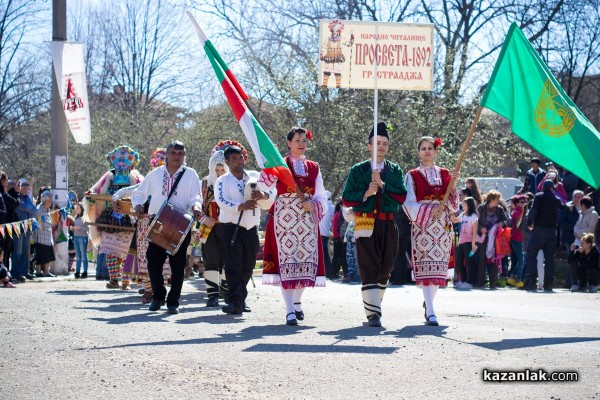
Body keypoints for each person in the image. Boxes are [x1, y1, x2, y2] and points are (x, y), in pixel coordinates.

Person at [343, 122, 407, 327]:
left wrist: (383, 186)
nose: (381, 147)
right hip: (365, 220)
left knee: (386, 267)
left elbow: (401, 197)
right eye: (377, 143)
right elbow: (347, 198)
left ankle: (373, 305)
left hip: (388, 223)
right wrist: (366, 194)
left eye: (385, 143)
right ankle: (373, 315)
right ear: (369, 146)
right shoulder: (358, 170)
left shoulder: (395, 170)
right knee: (368, 265)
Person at [259, 127, 325, 325]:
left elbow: (321, 193)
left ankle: (296, 301)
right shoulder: (280, 164)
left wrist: (313, 204)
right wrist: (269, 169)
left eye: (304, 140)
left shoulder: (314, 167)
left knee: (306, 261)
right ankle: (289, 310)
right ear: (289, 143)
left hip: (306, 219)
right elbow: (263, 185)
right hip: (285, 218)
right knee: (287, 261)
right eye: (297, 140)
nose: (301, 143)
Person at [132, 141, 202, 314]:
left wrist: (196, 207)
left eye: (180, 153)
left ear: (184, 156)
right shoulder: (155, 174)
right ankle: (158, 296)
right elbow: (139, 193)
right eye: (173, 153)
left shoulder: (191, 174)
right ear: (167, 155)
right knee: (153, 262)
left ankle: (173, 302)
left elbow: (196, 196)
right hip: (157, 222)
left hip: (181, 223)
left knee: (178, 265)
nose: (177, 156)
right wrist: (139, 206)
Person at [403, 136, 458, 326]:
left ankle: (429, 304)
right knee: (427, 266)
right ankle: (431, 312)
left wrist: (453, 187)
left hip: (442, 227)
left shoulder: (445, 173)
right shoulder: (412, 175)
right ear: (418, 152)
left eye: (430, 148)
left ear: (435, 151)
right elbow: (408, 202)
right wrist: (428, 209)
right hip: (423, 225)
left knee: (438, 268)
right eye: (423, 148)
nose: (427, 151)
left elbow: (453, 204)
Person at [219, 146, 275, 316]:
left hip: (251, 228)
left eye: (240, 158)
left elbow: (272, 192)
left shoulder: (255, 177)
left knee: (248, 265)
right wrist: (240, 206)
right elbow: (221, 200)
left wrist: (263, 195)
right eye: (234, 159)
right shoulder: (223, 181)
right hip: (230, 228)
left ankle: (239, 298)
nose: (238, 162)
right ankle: (236, 301)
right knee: (233, 265)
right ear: (227, 162)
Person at [85, 145, 143, 290]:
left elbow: (143, 191)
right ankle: (114, 280)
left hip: (129, 217)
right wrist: (90, 195)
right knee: (110, 251)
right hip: (109, 217)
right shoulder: (108, 176)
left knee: (127, 252)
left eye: (125, 159)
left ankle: (125, 281)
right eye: (119, 158)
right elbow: (96, 190)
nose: (122, 161)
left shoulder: (135, 177)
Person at [198, 145, 230, 307]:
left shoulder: (232, 183)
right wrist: (204, 218)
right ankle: (212, 295)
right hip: (208, 228)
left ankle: (225, 291)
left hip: (228, 228)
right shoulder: (204, 184)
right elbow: (195, 205)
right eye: (216, 170)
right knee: (210, 260)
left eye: (222, 170)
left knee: (227, 260)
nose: (218, 173)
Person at [523, 180, 563, 292]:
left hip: (540, 231)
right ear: (551, 188)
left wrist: (529, 223)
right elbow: (563, 207)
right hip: (552, 232)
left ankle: (531, 282)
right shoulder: (556, 199)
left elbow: (533, 210)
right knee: (549, 258)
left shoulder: (539, 196)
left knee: (531, 253)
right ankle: (549, 284)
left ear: (543, 188)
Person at [475, 190, 508, 289]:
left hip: (494, 239)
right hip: (483, 237)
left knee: (493, 260)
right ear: (491, 199)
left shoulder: (500, 209)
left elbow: (506, 220)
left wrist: (501, 224)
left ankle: (493, 283)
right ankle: (481, 282)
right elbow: (475, 222)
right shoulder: (481, 208)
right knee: (482, 259)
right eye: (497, 199)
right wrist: (481, 228)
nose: (498, 201)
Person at [12, 179, 37, 282]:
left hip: (27, 227)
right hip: (18, 227)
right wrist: (29, 208)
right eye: (23, 185)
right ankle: (16, 273)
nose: (25, 187)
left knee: (26, 251)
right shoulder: (17, 197)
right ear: (20, 186)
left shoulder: (28, 198)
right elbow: (22, 207)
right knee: (18, 251)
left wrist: (29, 208)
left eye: (27, 185)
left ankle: (24, 272)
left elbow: (34, 210)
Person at [451, 197, 478, 289]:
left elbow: (475, 231)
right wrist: (451, 213)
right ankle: (463, 280)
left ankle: (469, 282)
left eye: (464, 203)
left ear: (468, 205)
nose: (462, 204)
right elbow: (454, 220)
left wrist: (473, 244)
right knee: (458, 262)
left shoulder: (473, 216)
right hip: (461, 242)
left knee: (469, 262)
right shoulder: (463, 214)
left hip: (469, 242)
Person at [33, 190, 56, 277]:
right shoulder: (39, 209)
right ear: (46, 200)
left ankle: (46, 271)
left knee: (48, 254)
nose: (51, 202)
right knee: (40, 254)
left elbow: (49, 221)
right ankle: (38, 271)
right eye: (50, 200)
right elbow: (39, 222)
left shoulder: (47, 209)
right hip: (40, 235)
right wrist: (48, 224)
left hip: (48, 236)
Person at [507, 195, 528, 288]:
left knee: (515, 259)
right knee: (521, 260)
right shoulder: (518, 212)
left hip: (514, 238)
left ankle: (511, 278)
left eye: (525, 201)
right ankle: (519, 280)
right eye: (521, 202)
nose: (524, 203)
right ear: (517, 203)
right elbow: (517, 225)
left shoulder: (516, 212)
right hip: (517, 239)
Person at [1, 176, 19, 270]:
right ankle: (4, 275)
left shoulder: (4, 193)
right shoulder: (3, 194)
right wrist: (16, 192)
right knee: (5, 252)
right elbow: (16, 203)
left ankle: (5, 273)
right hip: (5, 226)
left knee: (7, 252)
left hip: (6, 225)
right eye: (6, 181)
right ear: (3, 181)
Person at [69, 203, 89, 279]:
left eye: (78, 208)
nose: (76, 209)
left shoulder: (85, 218)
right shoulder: (75, 218)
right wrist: (72, 228)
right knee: (78, 256)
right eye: (76, 208)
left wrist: (79, 228)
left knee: (84, 255)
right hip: (76, 237)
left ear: (82, 209)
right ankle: (77, 271)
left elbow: (87, 229)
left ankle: (85, 271)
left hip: (83, 237)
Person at [319, 190, 335, 278]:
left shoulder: (322, 206)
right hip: (327, 233)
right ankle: (329, 272)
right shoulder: (332, 207)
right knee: (327, 253)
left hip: (320, 233)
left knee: (323, 254)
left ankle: (327, 273)